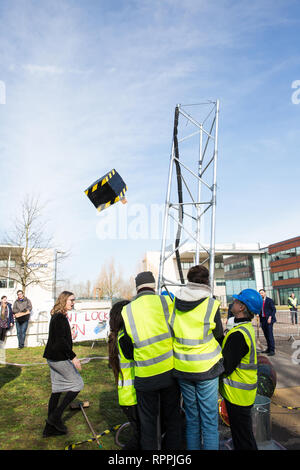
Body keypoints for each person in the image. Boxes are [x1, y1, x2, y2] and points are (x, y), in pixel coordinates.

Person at [120, 271, 182, 450]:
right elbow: (177, 331)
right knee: (172, 420)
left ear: (137, 288)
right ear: (154, 286)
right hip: (169, 373)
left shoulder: (127, 310)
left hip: (145, 376)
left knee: (148, 424)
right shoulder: (165, 301)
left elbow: (127, 348)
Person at [169, 265, 224, 450]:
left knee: (192, 419)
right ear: (207, 281)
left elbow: (171, 330)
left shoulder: (175, 303)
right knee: (209, 421)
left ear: (189, 280)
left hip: (182, 367)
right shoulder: (211, 304)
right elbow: (218, 334)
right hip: (207, 368)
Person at [219, 288, 262, 450]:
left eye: (237, 301)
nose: (233, 302)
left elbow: (226, 366)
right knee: (242, 435)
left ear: (242, 308)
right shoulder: (243, 329)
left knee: (243, 438)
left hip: (238, 395)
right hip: (243, 394)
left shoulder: (239, 335)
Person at [43, 291, 84, 437]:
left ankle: (49, 429)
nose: (73, 302)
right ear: (63, 300)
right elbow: (60, 342)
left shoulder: (58, 316)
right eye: (71, 300)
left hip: (52, 357)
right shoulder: (60, 317)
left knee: (57, 390)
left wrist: (69, 335)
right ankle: (54, 418)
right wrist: (74, 358)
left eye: (74, 300)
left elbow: (59, 338)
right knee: (78, 384)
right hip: (59, 358)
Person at [108, 300, 140, 450]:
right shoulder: (126, 338)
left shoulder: (118, 336)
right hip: (132, 397)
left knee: (142, 434)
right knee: (142, 436)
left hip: (127, 396)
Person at [259, 289, 276, 356]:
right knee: (266, 335)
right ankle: (268, 348)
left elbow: (274, 310)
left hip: (269, 320)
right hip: (262, 320)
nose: (261, 294)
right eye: (260, 293)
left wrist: (270, 317)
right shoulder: (260, 301)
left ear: (265, 293)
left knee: (270, 335)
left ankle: (272, 350)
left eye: (262, 293)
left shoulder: (269, 300)